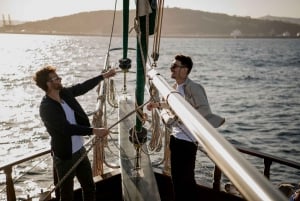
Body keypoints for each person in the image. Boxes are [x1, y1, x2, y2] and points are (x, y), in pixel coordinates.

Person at [147, 54, 224, 201]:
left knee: (187, 179)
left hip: (188, 141)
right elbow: (171, 106)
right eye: (172, 66)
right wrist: (156, 105)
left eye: (175, 66)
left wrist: (182, 118)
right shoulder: (174, 88)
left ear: (185, 70)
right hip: (175, 138)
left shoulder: (195, 88)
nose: (172, 68)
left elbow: (204, 111)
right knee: (176, 178)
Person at [33, 65, 116, 201]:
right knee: (66, 195)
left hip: (80, 151)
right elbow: (66, 128)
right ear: (48, 84)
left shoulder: (64, 93)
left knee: (89, 187)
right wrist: (94, 131)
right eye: (56, 78)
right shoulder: (46, 108)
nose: (60, 79)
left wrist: (103, 76)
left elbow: (82, 87)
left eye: (58, 77)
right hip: (65, 156)